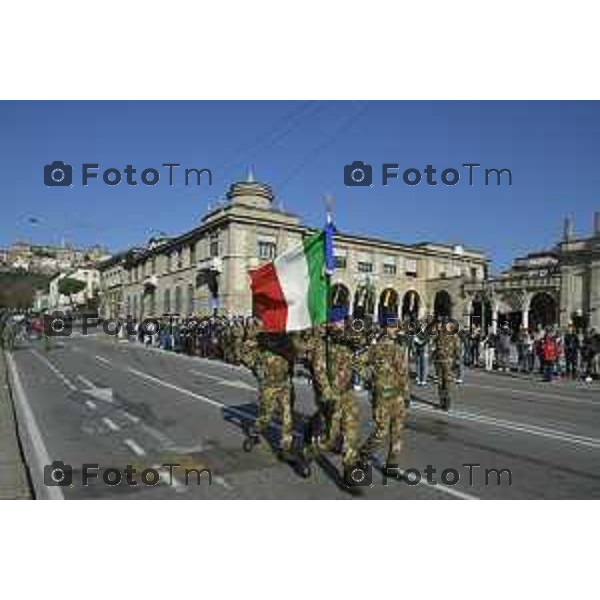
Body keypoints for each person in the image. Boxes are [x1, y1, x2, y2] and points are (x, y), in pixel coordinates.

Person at [305, 319, 361, 485]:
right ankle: (308, 453)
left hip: (348, 394)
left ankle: (349, 469)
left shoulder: (348, 340)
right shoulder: (322, 344)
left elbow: (361, 340)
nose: (340, 326)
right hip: (331, 395)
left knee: (351, 431)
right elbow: (319, 371)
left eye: (342, 322)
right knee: (331, 437)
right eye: (336, 322)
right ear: (329, 324)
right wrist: (327, 395)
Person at [240, 324, 296, 460]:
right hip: (268, 385)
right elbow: (244, 353)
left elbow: (296, 352)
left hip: (284, 383)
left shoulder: (286, 341)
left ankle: (285, 448)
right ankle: (254, 433)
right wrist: (253, 366)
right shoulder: (262, 341)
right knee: (266, 416)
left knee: (287, 416)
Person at [359, 321, 410, 467]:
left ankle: (392, 464)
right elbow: (356, 362)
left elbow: (404, 373)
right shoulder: (376, 348)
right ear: (385, 329)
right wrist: (370, 377)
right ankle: (364, 454)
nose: (395, 330)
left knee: (397, 431)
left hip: (398, 395)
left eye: (396, 327)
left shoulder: (400, 348)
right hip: (383, 396)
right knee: (382, 430)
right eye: (391, 327)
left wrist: (406, 394)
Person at [431, 320, 459, 411]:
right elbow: (434, 349)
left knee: (447, 382)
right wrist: (433, 357)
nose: (438, 327)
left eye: (439, 326)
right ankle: (441, 401)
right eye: (437, 326)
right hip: (439, 362)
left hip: (448, 362)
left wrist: (456, 362)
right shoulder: (437, 337)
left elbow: (457, 349)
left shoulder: (452, 336)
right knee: (440, 383)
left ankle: (447, 403)